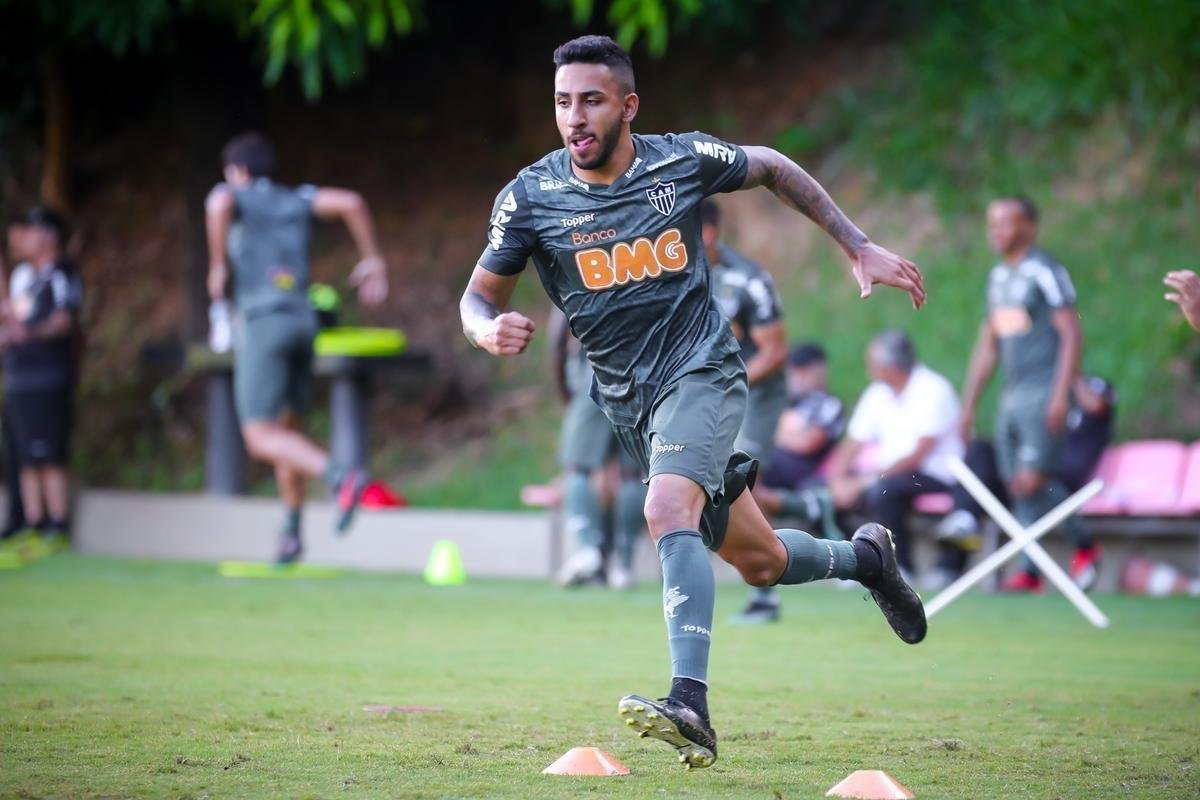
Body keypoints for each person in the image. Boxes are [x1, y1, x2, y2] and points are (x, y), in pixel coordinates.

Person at [458, 35, 928, 769]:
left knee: (664, 512)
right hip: (628, 405)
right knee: (761, 560)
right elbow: (478, 294)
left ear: (627, 105)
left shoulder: (677, 161)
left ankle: (690, 703)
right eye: (562, 103)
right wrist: (484, 329)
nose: (574, 118)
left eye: (590, 100)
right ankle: (867, 558)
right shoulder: (530, 197)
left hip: (702, 372)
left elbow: (771, 165)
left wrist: (856, 244)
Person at [205, 132, 389, 564]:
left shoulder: (235, 195)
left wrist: (216, 267)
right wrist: (373, 259)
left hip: (263, 322)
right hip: (302, 322)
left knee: (261, 436)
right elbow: (351, 202)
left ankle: (341, 476)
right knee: (287, 432)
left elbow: (216, 204)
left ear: (239, 172)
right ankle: (291, 534)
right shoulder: (295, 198)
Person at [960, 196, 1083, 592]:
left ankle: (1081, 545)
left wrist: (1061, 393)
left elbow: (1071, 334)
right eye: (992, 225)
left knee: (1033, 480)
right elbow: (989, 344)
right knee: (1017, 484)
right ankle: (1031, 572)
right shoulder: (997, 278)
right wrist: (969, 406)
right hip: (1011, 396)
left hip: (1042, 391)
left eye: (1006, 224)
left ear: (1029, 227)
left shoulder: (1045, 271)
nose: (997, 232)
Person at [702, 200, 794, 624]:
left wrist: (727, 383)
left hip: (756, 393)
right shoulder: (677, 276)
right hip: (707, 394)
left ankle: (766, 595)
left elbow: (774, 352)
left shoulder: (748, 280)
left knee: (745, 481)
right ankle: (807, 507)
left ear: (707, 232)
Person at [936, 374, 1114, 591]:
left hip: (1057, 484)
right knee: (980, 451)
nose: (1086, 395)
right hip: (1028, 473)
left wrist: (1070, 376)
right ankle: (965, 518)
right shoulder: (1062, 412)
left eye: (1093, 393)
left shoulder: (1095, 424)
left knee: (1030, 491)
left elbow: (1095, 408)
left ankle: (1036, 571)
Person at [827, 331, 963, 575]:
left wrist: (863, 481)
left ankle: (900, 568)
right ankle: (854, 565)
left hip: (935, 476)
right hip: (889, 474)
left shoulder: (933, 389)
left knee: (885, 491)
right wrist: (837, 479)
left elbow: (918, 454)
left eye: (873, 365)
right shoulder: (877, 392)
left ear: (893, 366)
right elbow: (853, 442)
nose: (869, 372)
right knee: (825, 493)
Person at [735, 342, 845, 623]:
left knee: (743, 482)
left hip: (799, 468)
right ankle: (809, 508)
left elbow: (809, 442)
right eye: (793, 370)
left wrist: (773, 435)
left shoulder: (828, 404)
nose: (795, 377)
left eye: (801, 371)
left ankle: (763, 584)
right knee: (742, 486)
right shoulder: (785, 403)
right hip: (773, 459)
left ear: (818, 371)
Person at [0, 207, 83, 554]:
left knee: (48, 453)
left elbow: (63, 322)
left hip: (49, 375)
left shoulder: (61, 273)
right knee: (23, 455)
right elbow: (17, 319)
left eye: (31, 230)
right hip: (18, 376)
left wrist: (28, 333)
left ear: (49, 236)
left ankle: (56, 524)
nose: (23, 237)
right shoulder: (22, 276)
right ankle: (32, 522)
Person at [550, 309, 646, 589]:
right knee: (632, 473)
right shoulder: (649, 269)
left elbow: (558, 338)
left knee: (578, 467)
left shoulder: (580, 268)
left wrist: (565, 392)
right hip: (641, 380)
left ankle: (587, 547)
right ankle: (625, 566)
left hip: (597, 376)